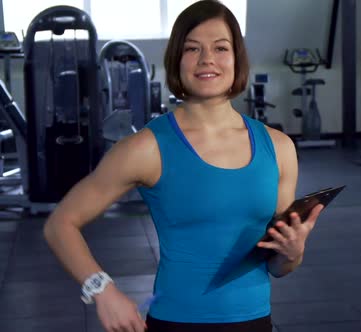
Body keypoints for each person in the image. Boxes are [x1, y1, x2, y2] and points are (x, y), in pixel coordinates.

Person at [43, 1, 324, 331]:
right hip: (177, 322)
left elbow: (277, 266)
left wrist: (292, 253)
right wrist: (102, 290)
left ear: (237, 59)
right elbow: (60, 224)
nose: (207, 59)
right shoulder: (146, 148)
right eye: (193, 49)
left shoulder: (279, 148)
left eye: (221, 47)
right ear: (177, 60)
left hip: (256, 322)